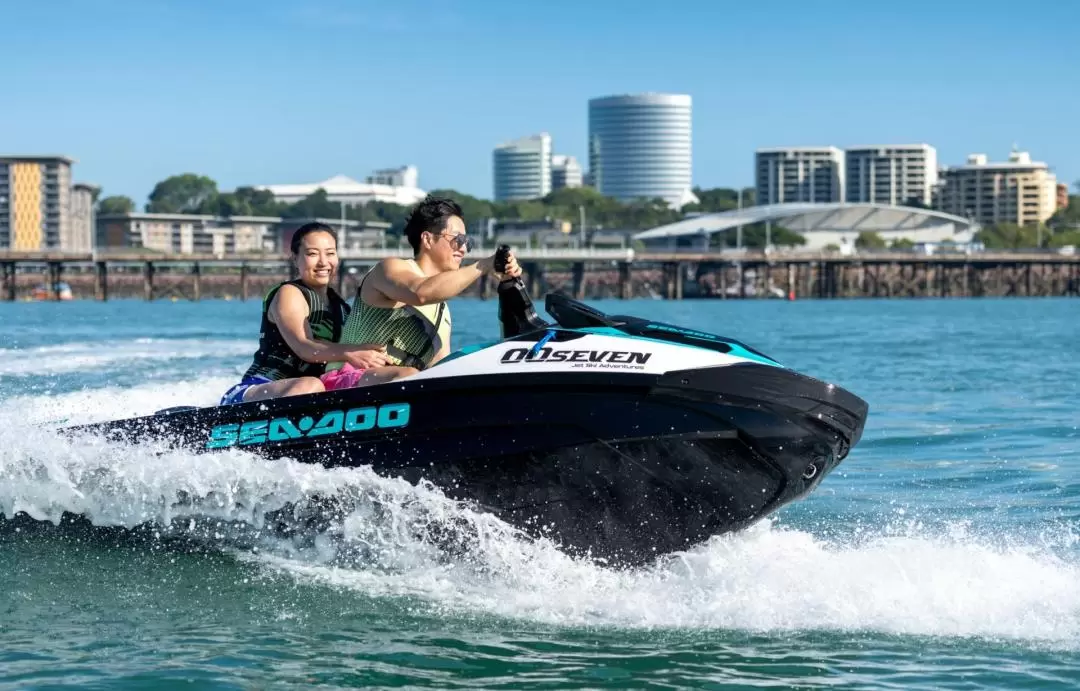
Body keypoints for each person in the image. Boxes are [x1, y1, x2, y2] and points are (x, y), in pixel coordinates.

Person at [322, 196, 521, 389]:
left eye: (466, 242)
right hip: (344, 381)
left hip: (404, 391)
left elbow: (442, 367)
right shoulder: (389, 269)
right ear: (427, 239)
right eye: (457, 239)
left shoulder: (442, 312)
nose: (463, 248)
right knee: (408, 375)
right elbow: (420, 293)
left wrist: (507, 282)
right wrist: (484, 265)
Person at [219, 222, 389, 405]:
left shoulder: (342, 308)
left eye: (330, 253)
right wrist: (350, 352)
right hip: (258, 391)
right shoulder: (289, 293)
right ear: (295, 258)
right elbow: (304, 347)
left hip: (315, 395)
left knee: (394, 375)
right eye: (312, 254)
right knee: (311, 385)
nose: (323, 262)